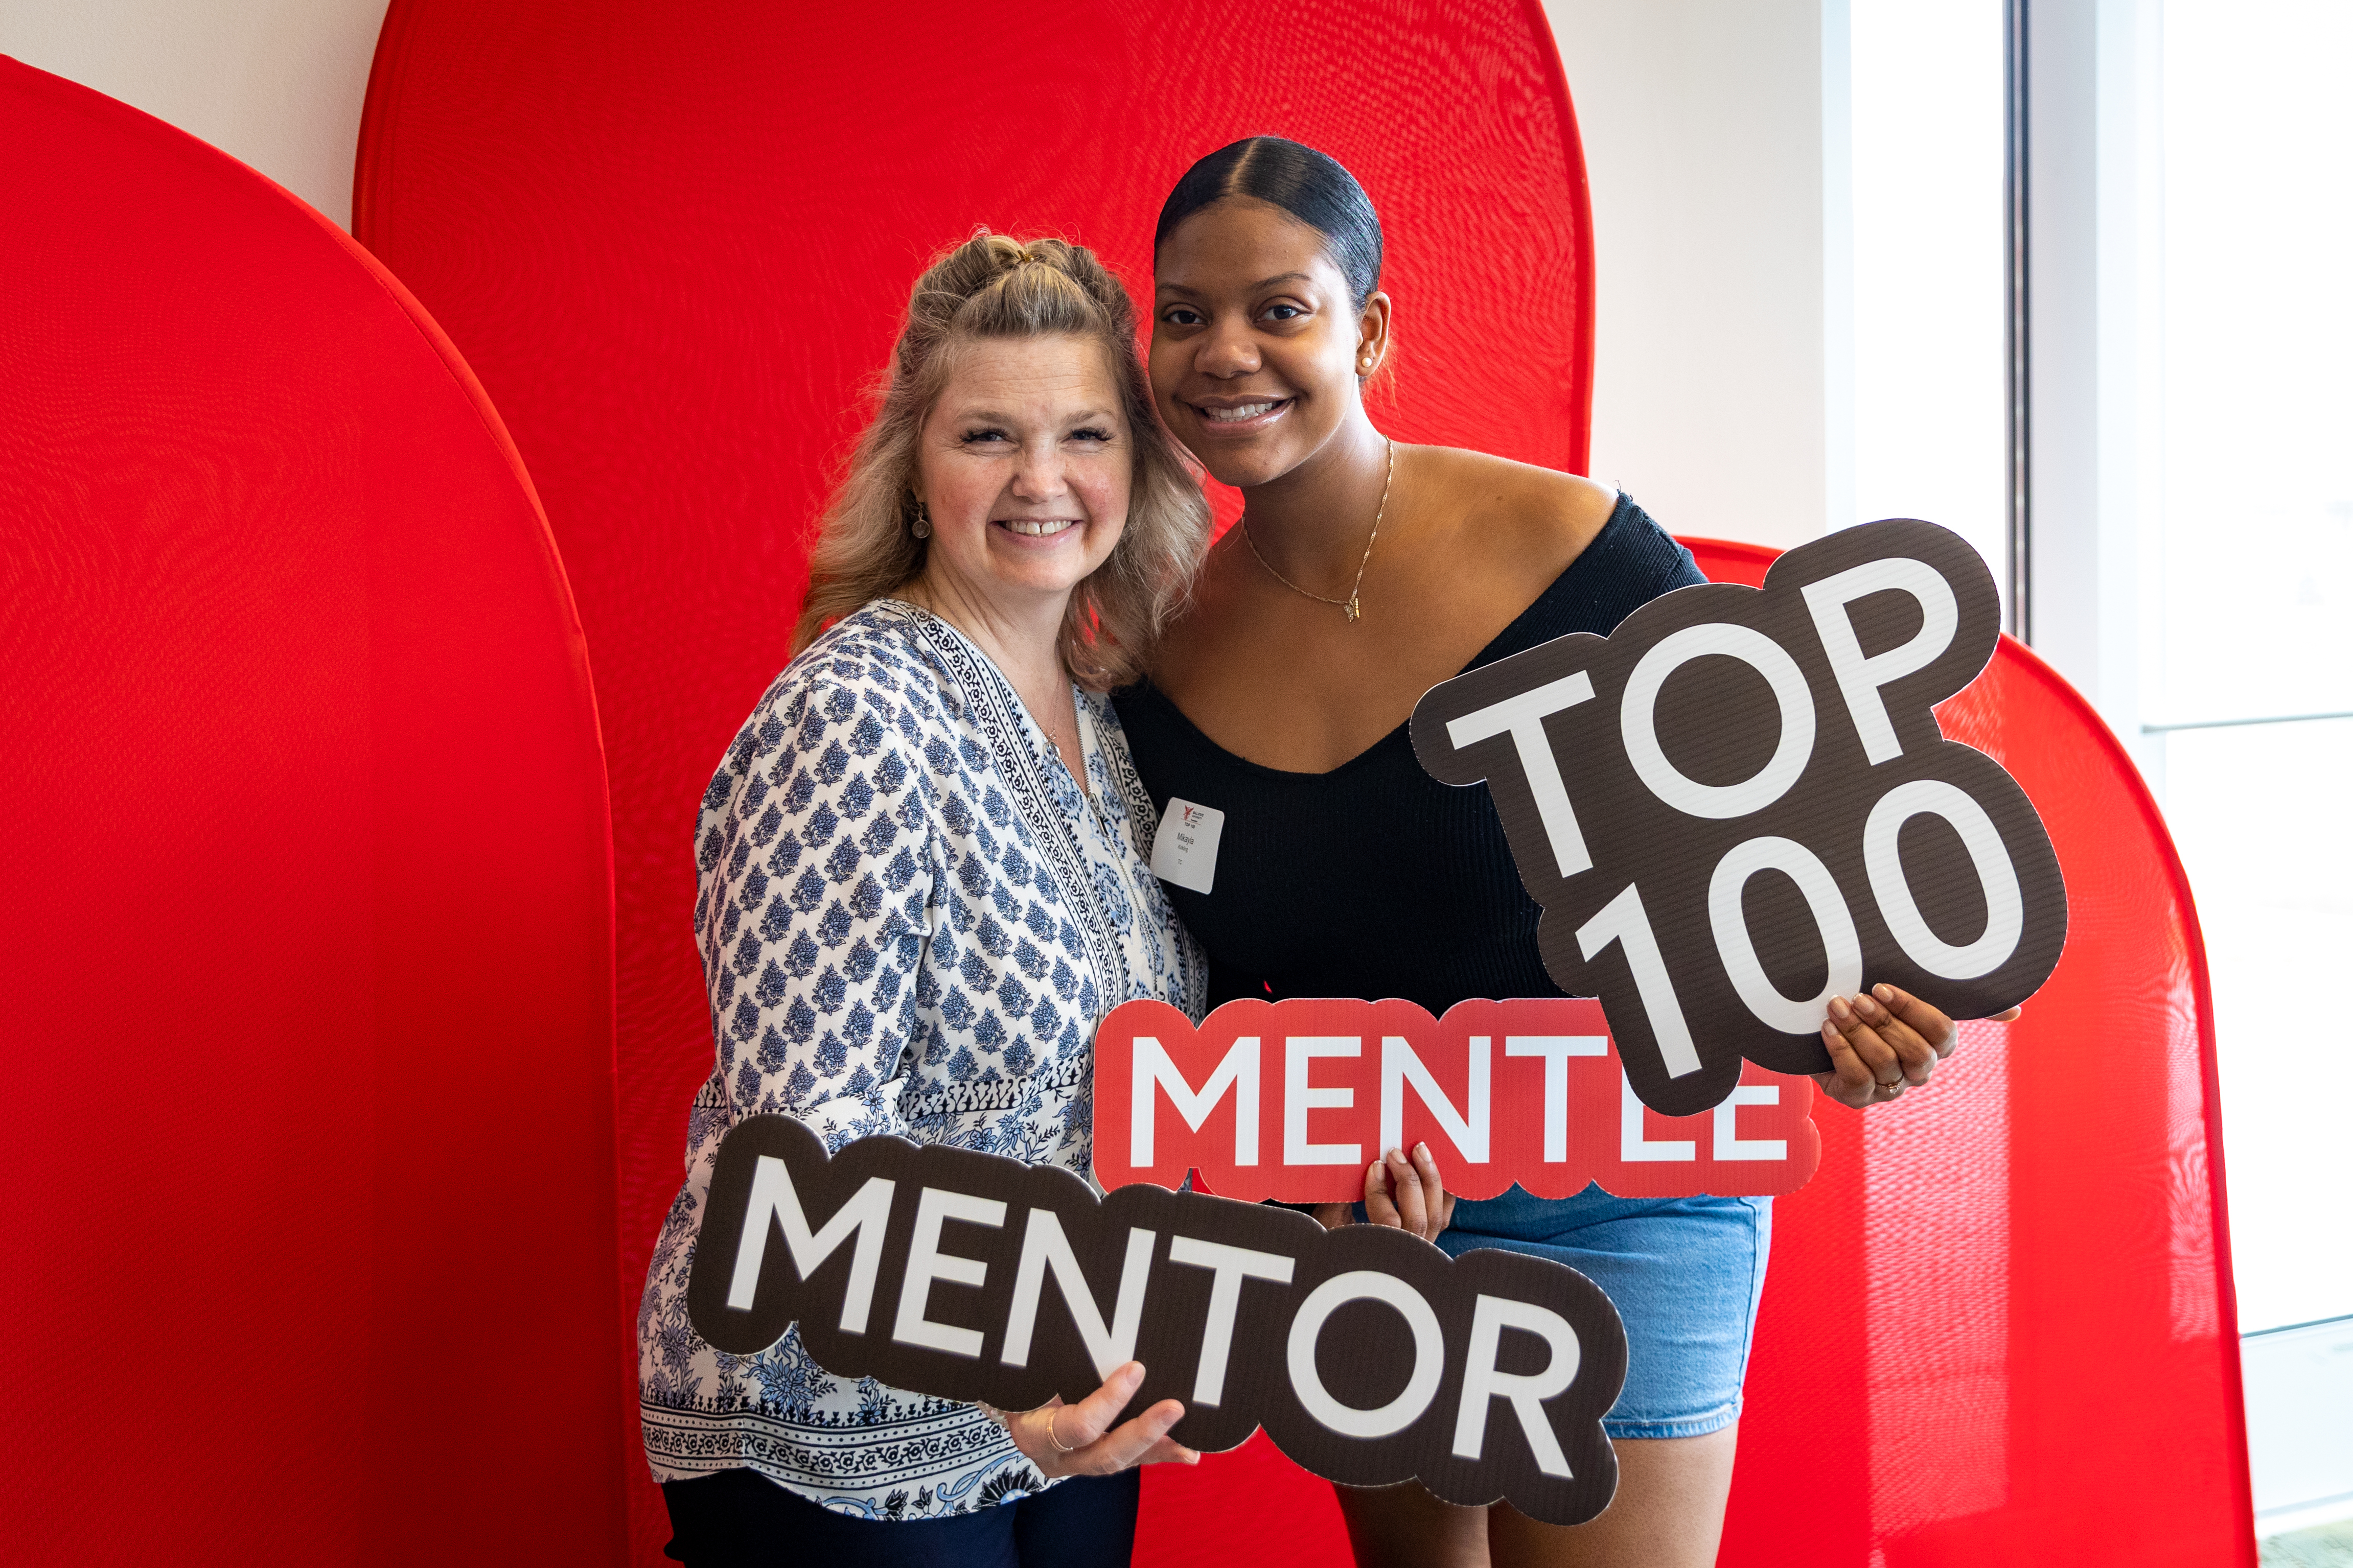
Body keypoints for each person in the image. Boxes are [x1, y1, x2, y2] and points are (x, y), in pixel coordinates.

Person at [1115, 136, 2010, 1568]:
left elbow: (1769, 875)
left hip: (1631, 1198)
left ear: (1370, 328)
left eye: (1278, 308)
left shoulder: (1571, 546)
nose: (1226, 352)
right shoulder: (1153, 648)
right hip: (1370, 1219)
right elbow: (1199, 980)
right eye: (1183, 314)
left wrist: (1847, 1024)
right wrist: (1283, 1186)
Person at [638, 231, 1214, 1566]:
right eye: (986, 438)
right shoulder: (855, 714)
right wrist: (1006, 1379)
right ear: (913, 471)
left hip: (1068, 1402)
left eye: (1083, 433)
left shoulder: (1102, 717)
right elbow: (807, 1147)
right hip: (831, 1431)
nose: (1042, 480)